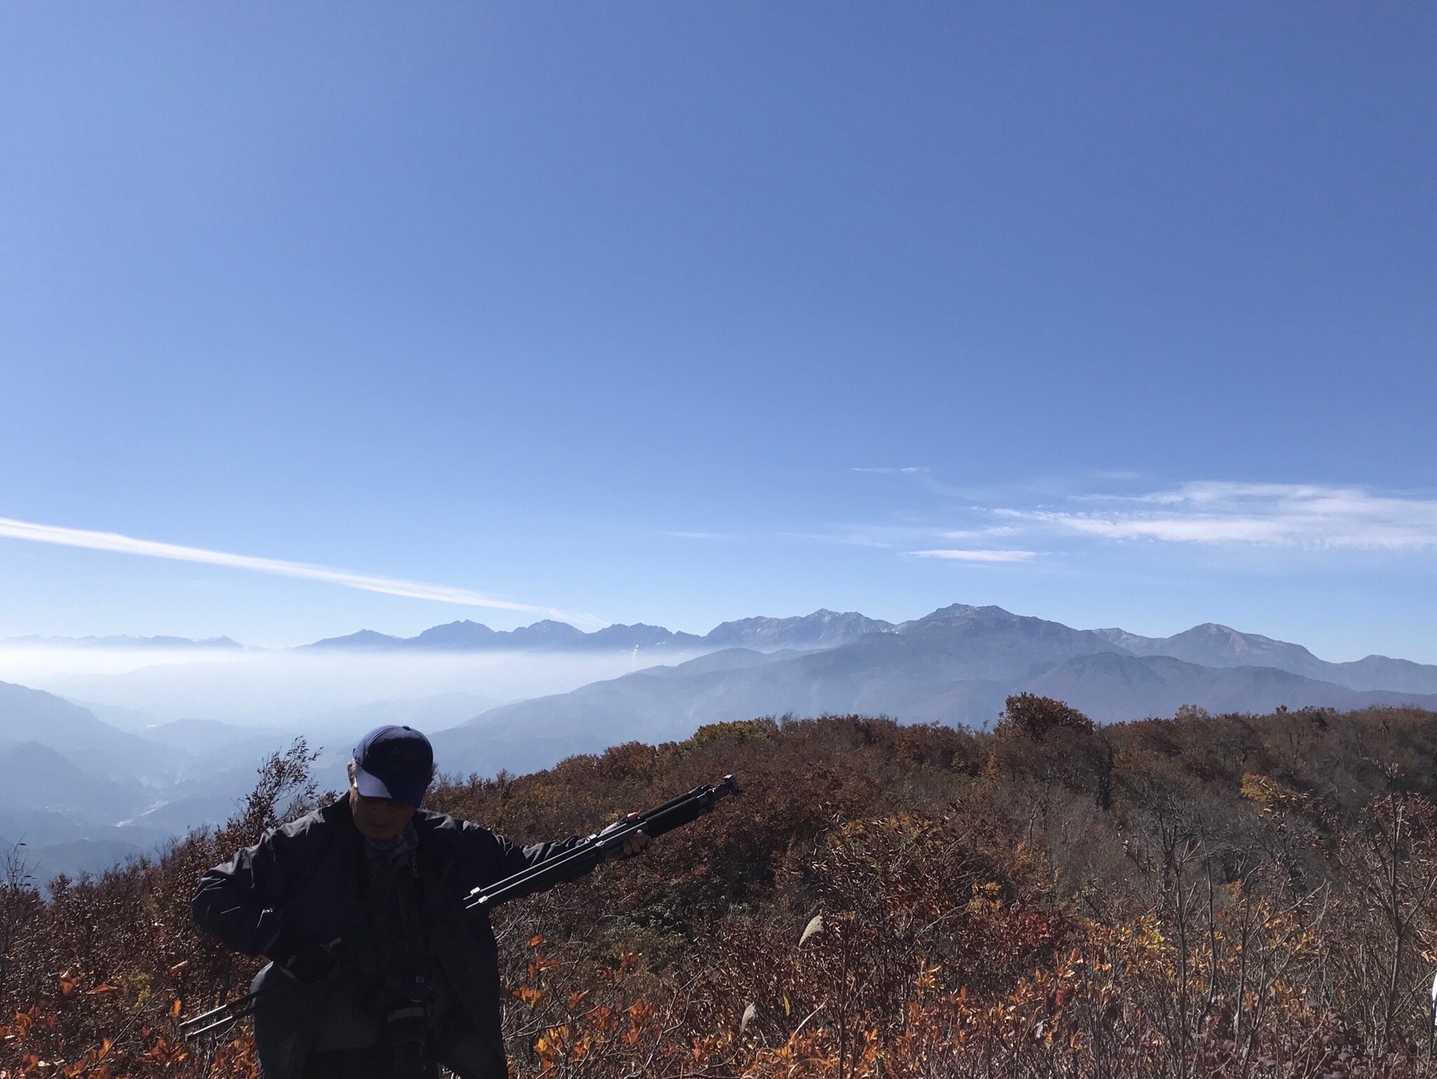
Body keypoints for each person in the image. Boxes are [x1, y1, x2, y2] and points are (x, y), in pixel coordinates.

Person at [191, 724, 648, 1079]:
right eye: (373, 797)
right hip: (326, 1045)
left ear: (422, 792)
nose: (382, 813)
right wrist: (285, 944)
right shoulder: (303, 845)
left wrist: (600, 846)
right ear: (352, 776)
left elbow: (525, 865)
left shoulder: (447, 843)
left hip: (415, 1037)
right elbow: (212, 893)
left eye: (399, 802)